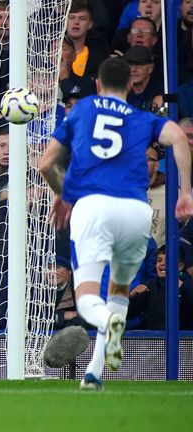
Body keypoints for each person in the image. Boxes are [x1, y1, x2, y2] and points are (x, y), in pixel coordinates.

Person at [39, 57, 193, 390]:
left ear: (97, 84)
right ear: (128, 86)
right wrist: (186, 192)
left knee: (88, 300)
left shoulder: (82, 110)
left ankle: (110, 324)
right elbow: (179, 138)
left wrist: (64, 193)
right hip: (137, 212)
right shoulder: (142, 117)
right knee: (119, 288)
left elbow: (46, 163)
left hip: (94, 208)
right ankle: (94, 373)